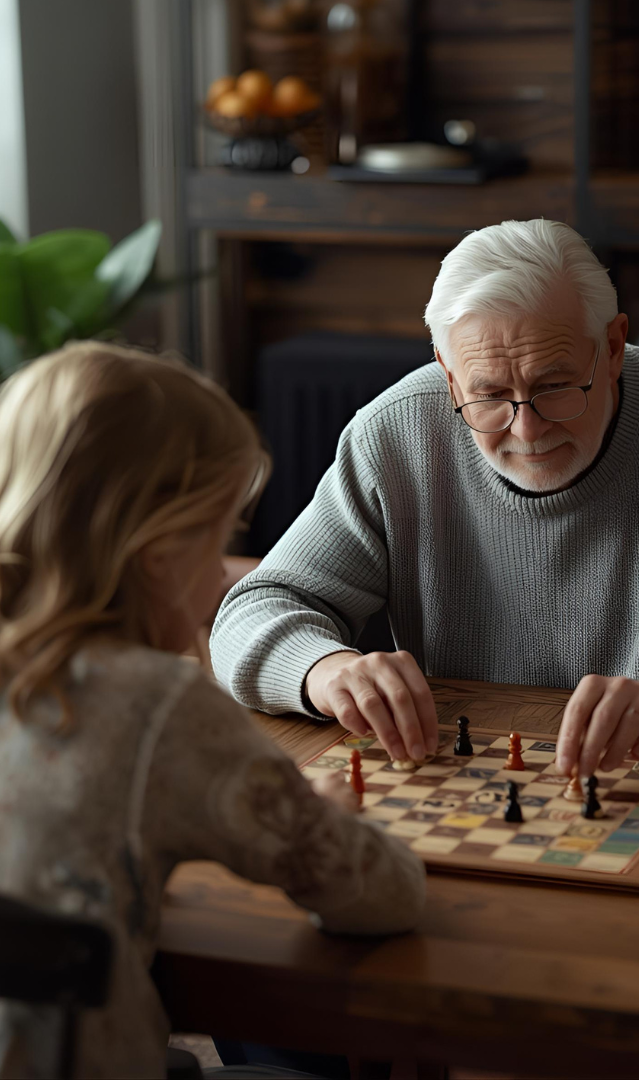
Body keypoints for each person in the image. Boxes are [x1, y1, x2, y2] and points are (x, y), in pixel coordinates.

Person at [211, 219, 639, 774]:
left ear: (611, 348)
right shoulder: (396, 433)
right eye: (488, 395)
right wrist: (325, 670)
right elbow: (254, 612)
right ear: (446, 369)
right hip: (458, 778)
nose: (526, 429)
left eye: (554, 386)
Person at [0, 343, 426, 1080]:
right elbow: (381, 895)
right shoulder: (157, 703)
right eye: (224, 544)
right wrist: (321, 819)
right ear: (161, 554)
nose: (226, 578)